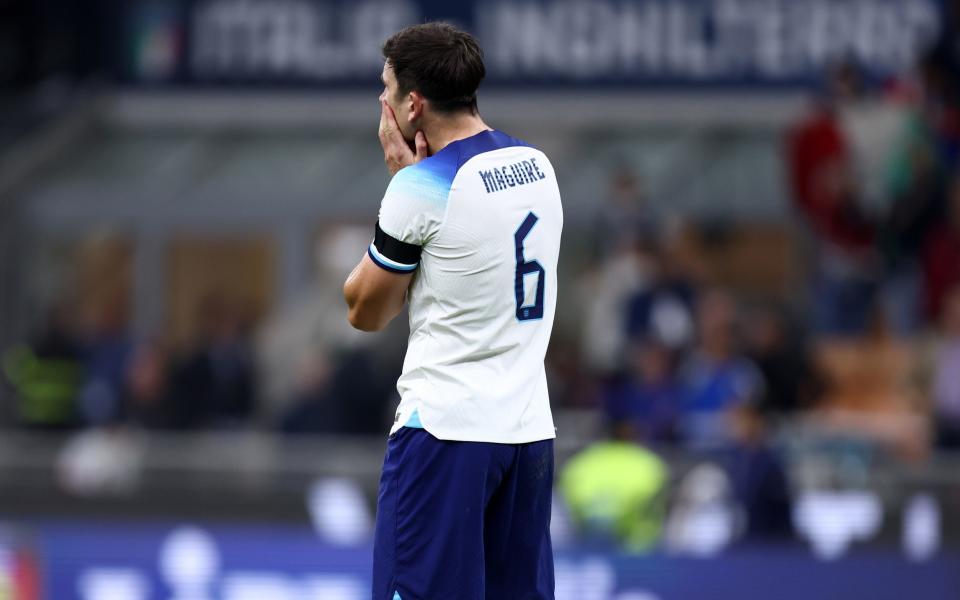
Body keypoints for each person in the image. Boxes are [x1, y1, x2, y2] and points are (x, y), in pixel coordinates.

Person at [342, 23, 562, 600]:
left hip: (445, 433)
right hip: (528, 433)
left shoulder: (424, 186)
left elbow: (366, 309)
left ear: (413, 104)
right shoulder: (537, 166)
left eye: (386, 89)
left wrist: (403, 184)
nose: (381, 104)